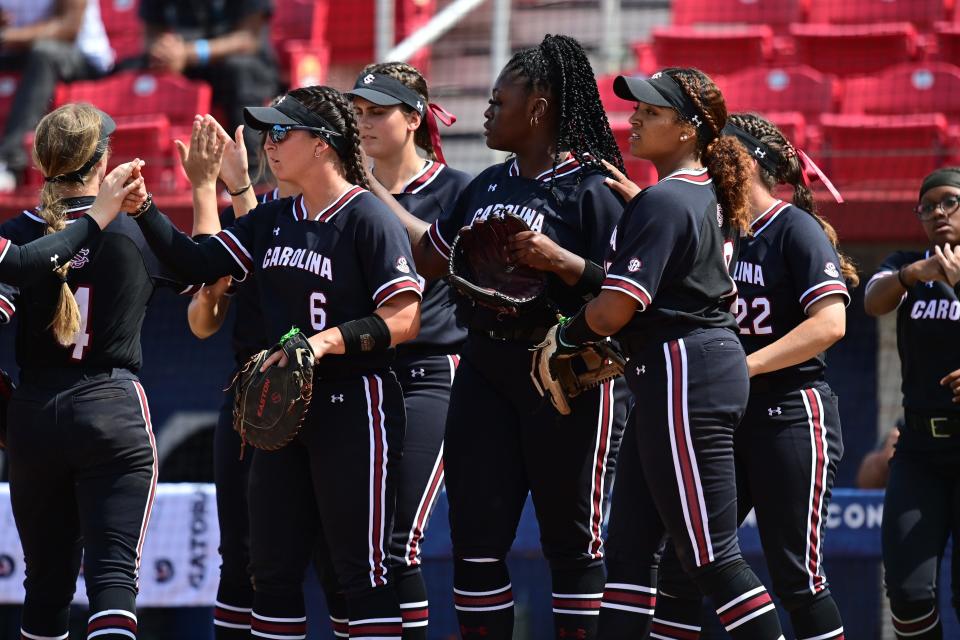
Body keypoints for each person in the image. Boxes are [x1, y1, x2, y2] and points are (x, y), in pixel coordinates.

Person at [129, 85, 422, 639]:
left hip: (351, 406)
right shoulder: (272, 218)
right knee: (271, 572)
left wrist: (327, 341)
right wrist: (145, 209)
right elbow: (197, 261)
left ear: (323, 146)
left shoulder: (367, 218)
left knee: (360, 573)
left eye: (283, 133)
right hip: (282, 415)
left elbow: (406, 319)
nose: (270, 144)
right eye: (268, 132)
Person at [369, 34, 630, 640]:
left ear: (538, 107)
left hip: (566, 379)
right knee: (476, 546)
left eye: (498, 100)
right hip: (484, 372)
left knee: (571, 547)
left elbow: (626, 297)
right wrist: (368, 185)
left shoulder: (595, 188)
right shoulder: (485, 184)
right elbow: (430, 255)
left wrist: (558, 260)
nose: (486, 111)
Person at [545, 69, 786, 640]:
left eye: (652, 112)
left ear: (687, 129)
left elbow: (611, 312)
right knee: (630, 554)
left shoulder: (668, 198)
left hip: (684, 374)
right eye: (639, 109)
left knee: (710, 556)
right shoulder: (693, 193)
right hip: (677, 371)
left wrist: (565, 336)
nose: (635, 118)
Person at [624, 112, 855, 640]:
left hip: (789, 414)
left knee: (798, 577)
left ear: (744, 158)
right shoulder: (712, 224)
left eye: (719, 147)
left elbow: (831, 324)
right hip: (723, 416)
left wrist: (738, 367)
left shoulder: (794, 228)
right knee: (687, 568)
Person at [0, 102, 187, 640]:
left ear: (41, 161)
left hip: (33, 414)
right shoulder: (135, 229)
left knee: (45, 588)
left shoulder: (16, 234)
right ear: (102, 160)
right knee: (111, 581)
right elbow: (207, 299)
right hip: (111, 406)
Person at [345, 60, 471, 640]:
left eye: (378, 112)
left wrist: (367, 191)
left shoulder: (456, 188)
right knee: (350, 546)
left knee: (398, 541)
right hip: (358, 374)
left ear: (415, 119)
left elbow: (438, 258)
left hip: (428, 372)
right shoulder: (342, 195)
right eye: (359, 113)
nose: (364, 123)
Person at [865, 166, 960, 639]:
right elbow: (872, 300)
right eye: (927, 206)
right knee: (907, 591)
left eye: (950, 201)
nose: (938, 212)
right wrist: (910, 273)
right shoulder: (907, 264)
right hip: (919, 450)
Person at [135, 0, 278, 175]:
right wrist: (164, 52)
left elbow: (249, 38)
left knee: (240, 71)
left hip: (237, 61)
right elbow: (151, 34)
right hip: (182, 62)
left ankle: (254, 173)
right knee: (128, 71)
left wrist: (190, 53)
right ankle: (142, 172)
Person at [0, 0, 114, 191]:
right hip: (22, 52)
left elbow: (68, 27)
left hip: (82, 58)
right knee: (40, 54)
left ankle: (11, 163)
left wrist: (6, 36)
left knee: (44, 54)